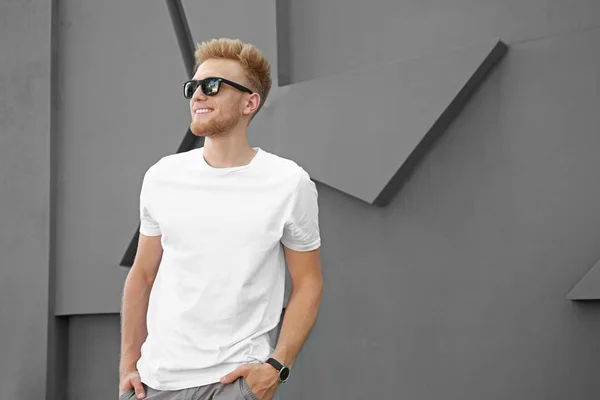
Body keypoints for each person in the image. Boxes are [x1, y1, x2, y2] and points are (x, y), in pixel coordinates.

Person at [118, 38, 323, 400]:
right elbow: (143, 274)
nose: (198, 95)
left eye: (212, 86)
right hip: (152, 386)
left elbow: (308, 283)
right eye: (193, 87)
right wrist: (127, 366)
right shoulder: (162, 176)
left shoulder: (289, 183)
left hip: (234, 385)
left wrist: (276, 368)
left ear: (250, 102)